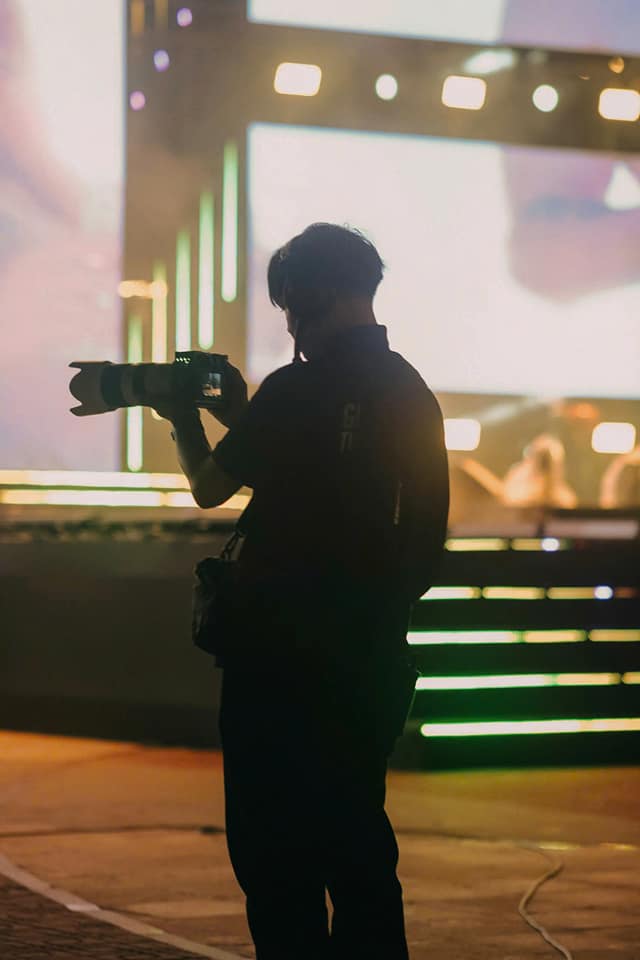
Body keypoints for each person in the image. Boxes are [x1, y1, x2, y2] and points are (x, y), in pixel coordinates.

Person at [158, 223, 449, 959]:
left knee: (275, 856)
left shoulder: (296, 388)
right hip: (371, 657)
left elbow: (211, 486)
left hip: (276, 665)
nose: (288, 322)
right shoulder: (412, 392)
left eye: (288, 304)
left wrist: (182, 417)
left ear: (311, 295)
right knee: (357, 847)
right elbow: (388, 507)